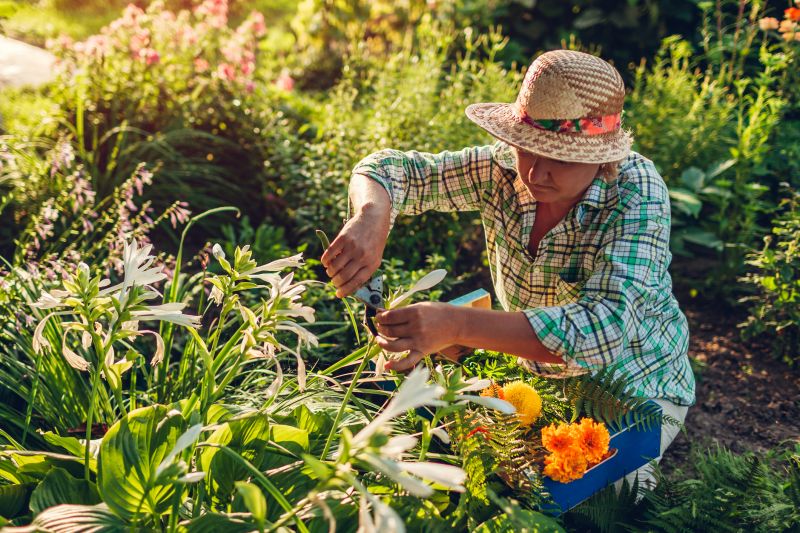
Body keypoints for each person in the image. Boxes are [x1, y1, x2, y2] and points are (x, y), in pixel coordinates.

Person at [320, 49, 695, 488]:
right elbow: (389, 170)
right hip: (539, 376)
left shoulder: (636, 193)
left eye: (560, 157)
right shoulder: (501, 169)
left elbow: (603, 330)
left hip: (633, 387)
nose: (536, 171)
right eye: (527, 148)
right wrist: (371, 215)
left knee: (598, 500)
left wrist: (456, 324)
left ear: (602, 155)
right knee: (460, 470)